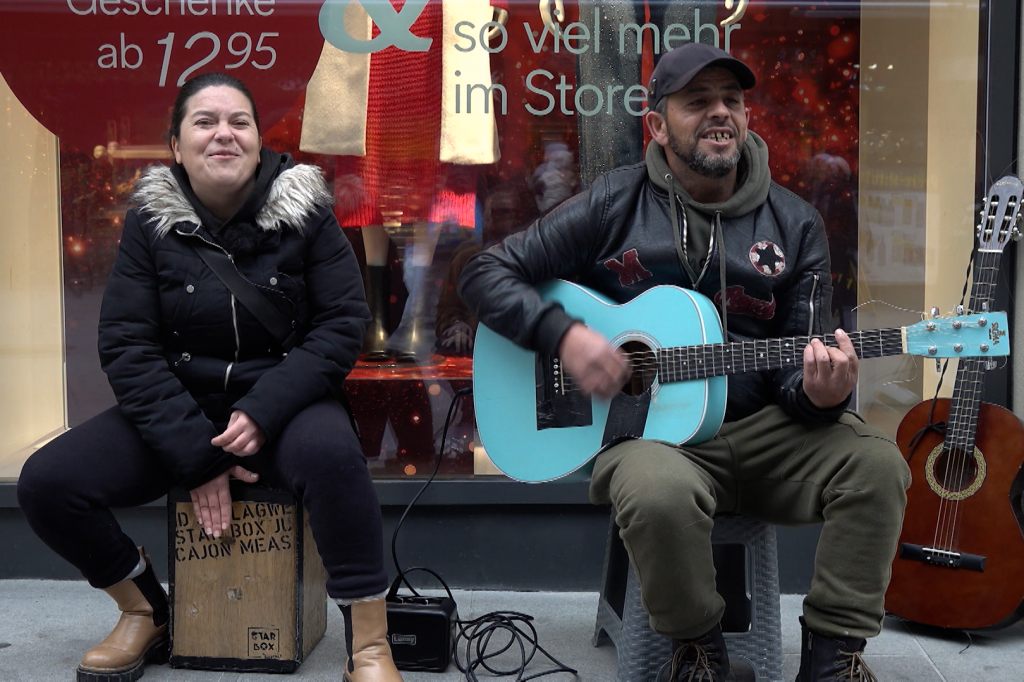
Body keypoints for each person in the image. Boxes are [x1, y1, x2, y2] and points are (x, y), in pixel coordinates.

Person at [458, 43, 909, 681]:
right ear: (658, 125)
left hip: (764, 432)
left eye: (732, 100)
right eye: (698, 102)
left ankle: (833, 655)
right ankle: (699, 651)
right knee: (658, 492)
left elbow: (797, 370)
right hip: (650, 437)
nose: (720, 113)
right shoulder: (615, 203)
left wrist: (822, 395)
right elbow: (484, 272)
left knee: (877, 465)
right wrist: (567, 339)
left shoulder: (795, 222)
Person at [16, 73, 402, 682]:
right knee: (46, 483)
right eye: (204, 122)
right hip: (181, 407)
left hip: (287, 404)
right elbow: (125, 344)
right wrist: (199, 455)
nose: (223, 134)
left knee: (334, 459)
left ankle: (371, 646)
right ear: (176, 145)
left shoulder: (309, 215)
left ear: (257, 140)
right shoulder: (149, 223)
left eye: (238, 122)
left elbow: (341, 325)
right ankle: (144, 609)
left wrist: (262, 410)